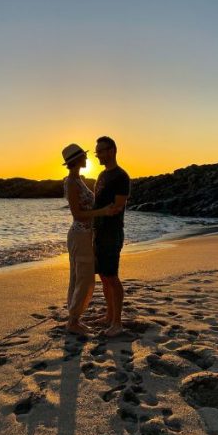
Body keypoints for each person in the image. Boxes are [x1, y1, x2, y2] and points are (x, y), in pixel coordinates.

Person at [61, 143, 121, 335]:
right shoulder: (71, 181)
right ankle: (73, 321)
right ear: (77, 160)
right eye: (84, 156)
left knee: (79, 276)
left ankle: (74, 318)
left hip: (85, 235)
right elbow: (77, 213)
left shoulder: (78, 179)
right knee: (84, 278)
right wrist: (102, 211)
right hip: (79, 235)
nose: (88, 159)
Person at [91, 136, 130, 337]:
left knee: (112, 277)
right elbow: (99, 205)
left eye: (100, 151)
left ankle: (117, 322)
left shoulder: (121, 177)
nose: (97, 154)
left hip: (112, 233)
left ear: (112, 150)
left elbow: (115, 208)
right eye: (96, 151)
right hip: (98, 232)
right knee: (104, 277)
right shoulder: (102, 175)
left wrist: (94, 213)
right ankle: (108, 315)